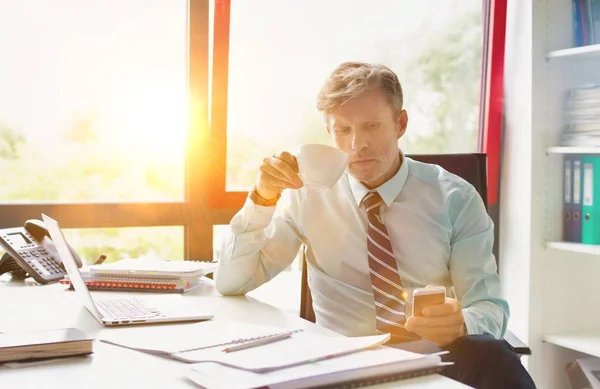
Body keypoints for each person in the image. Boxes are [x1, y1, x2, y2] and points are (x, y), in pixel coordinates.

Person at [215, 61, 536, 389]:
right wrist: (262, 198)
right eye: (343, 130)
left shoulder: (456, 197)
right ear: (329, 133)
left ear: (401, 123)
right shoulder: (306, 197)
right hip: (342, 367)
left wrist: (462, 323)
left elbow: (489, 307)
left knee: (493, 354)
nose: (357, 145)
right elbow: (230, 283)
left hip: (437, 360)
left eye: (371, 126)